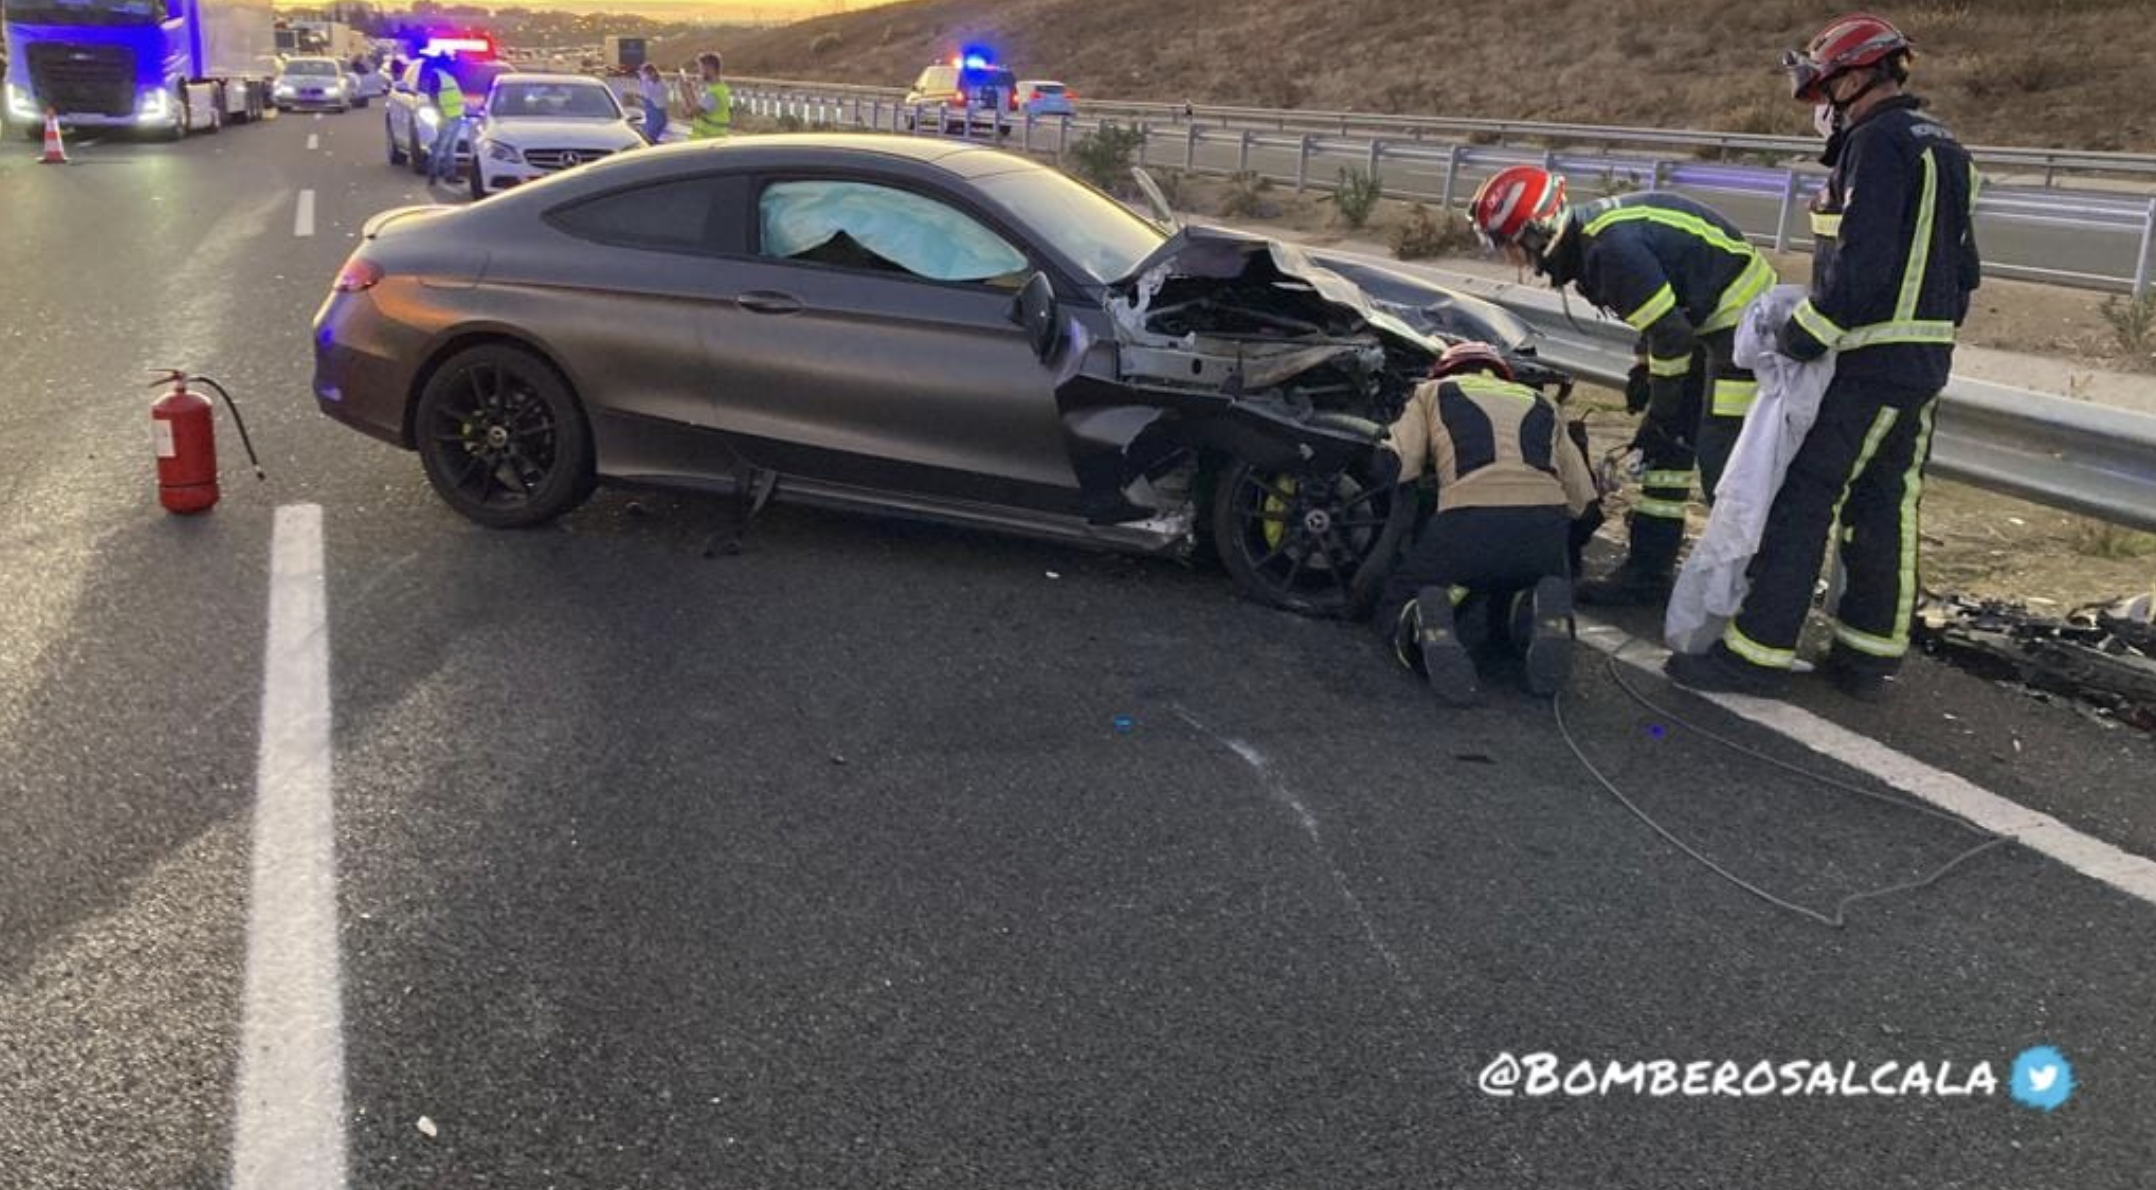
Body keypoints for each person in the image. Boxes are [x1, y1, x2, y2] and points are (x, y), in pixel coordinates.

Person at [1666, 12, 1980, 700]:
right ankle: (1869, 654)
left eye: (1823, 87)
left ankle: (1756, 654)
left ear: (1858, 75)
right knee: (1887, 502)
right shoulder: (1945, 148)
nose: (1819, 106)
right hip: (1925, 362)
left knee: (1803, 498)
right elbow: (1966, 270)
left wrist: (1801, 334)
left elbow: (1861, 269)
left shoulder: (1875, 143)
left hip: (1869, 362)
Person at [1467, 167, 1776, 607]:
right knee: (1666, 457)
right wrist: (1644, 366)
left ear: (1537, 232)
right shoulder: (1592, 243)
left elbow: (1673, 334)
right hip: (1704, 319)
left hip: (1739, 329)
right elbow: (1658, 309)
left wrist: (1660, 414)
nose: (1507, 258)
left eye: (1508, 245)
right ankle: (1648, 573)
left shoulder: (1608, 250)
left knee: (1720, 460)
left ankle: (1760, 595)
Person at [1374, 342, 1603, 706]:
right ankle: (1532, 606)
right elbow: (1584, 501)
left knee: (1402, 594)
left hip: (1467, 522)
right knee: (1509, 586)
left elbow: (1401, 466)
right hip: (1543, 529)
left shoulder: (1431, 391)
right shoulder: (1544, 403)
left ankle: (1420, 619)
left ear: (1446, 371)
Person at [420, 57, 468, 187]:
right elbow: (433, 96)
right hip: (447, 117)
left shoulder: (447, 76)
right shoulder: (438, 76)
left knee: (450, 148)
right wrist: (440, 112)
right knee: (440, 147)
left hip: (456, 116)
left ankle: (449, 175)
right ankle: (433, 175)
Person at [687, 51, 733, 140]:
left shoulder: (714, 93)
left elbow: (693, 112)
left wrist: (687, 90)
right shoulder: (720, 88)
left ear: (709, 69)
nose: (699, 72)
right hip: (708, 141)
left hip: (705, 142)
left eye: (701, 68)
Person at [636, 62, 670, 143]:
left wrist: (643, 81)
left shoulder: (660, 84)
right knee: (647, 138)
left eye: (644, 73)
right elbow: (645, 95)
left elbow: (648, 95)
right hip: (652, 115)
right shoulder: (651, 83)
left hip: (657, 116)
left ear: (652, 73)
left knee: (648, 139)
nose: (643, 76)